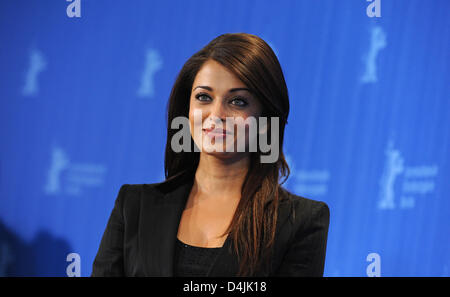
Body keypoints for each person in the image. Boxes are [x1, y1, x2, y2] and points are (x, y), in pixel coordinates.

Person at [91, 33, 330, 277]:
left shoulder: (300, 221)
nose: (216, 114)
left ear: (266, 121)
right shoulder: (134, 206)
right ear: (187, 110)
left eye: (238, 101)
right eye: (204, 97)